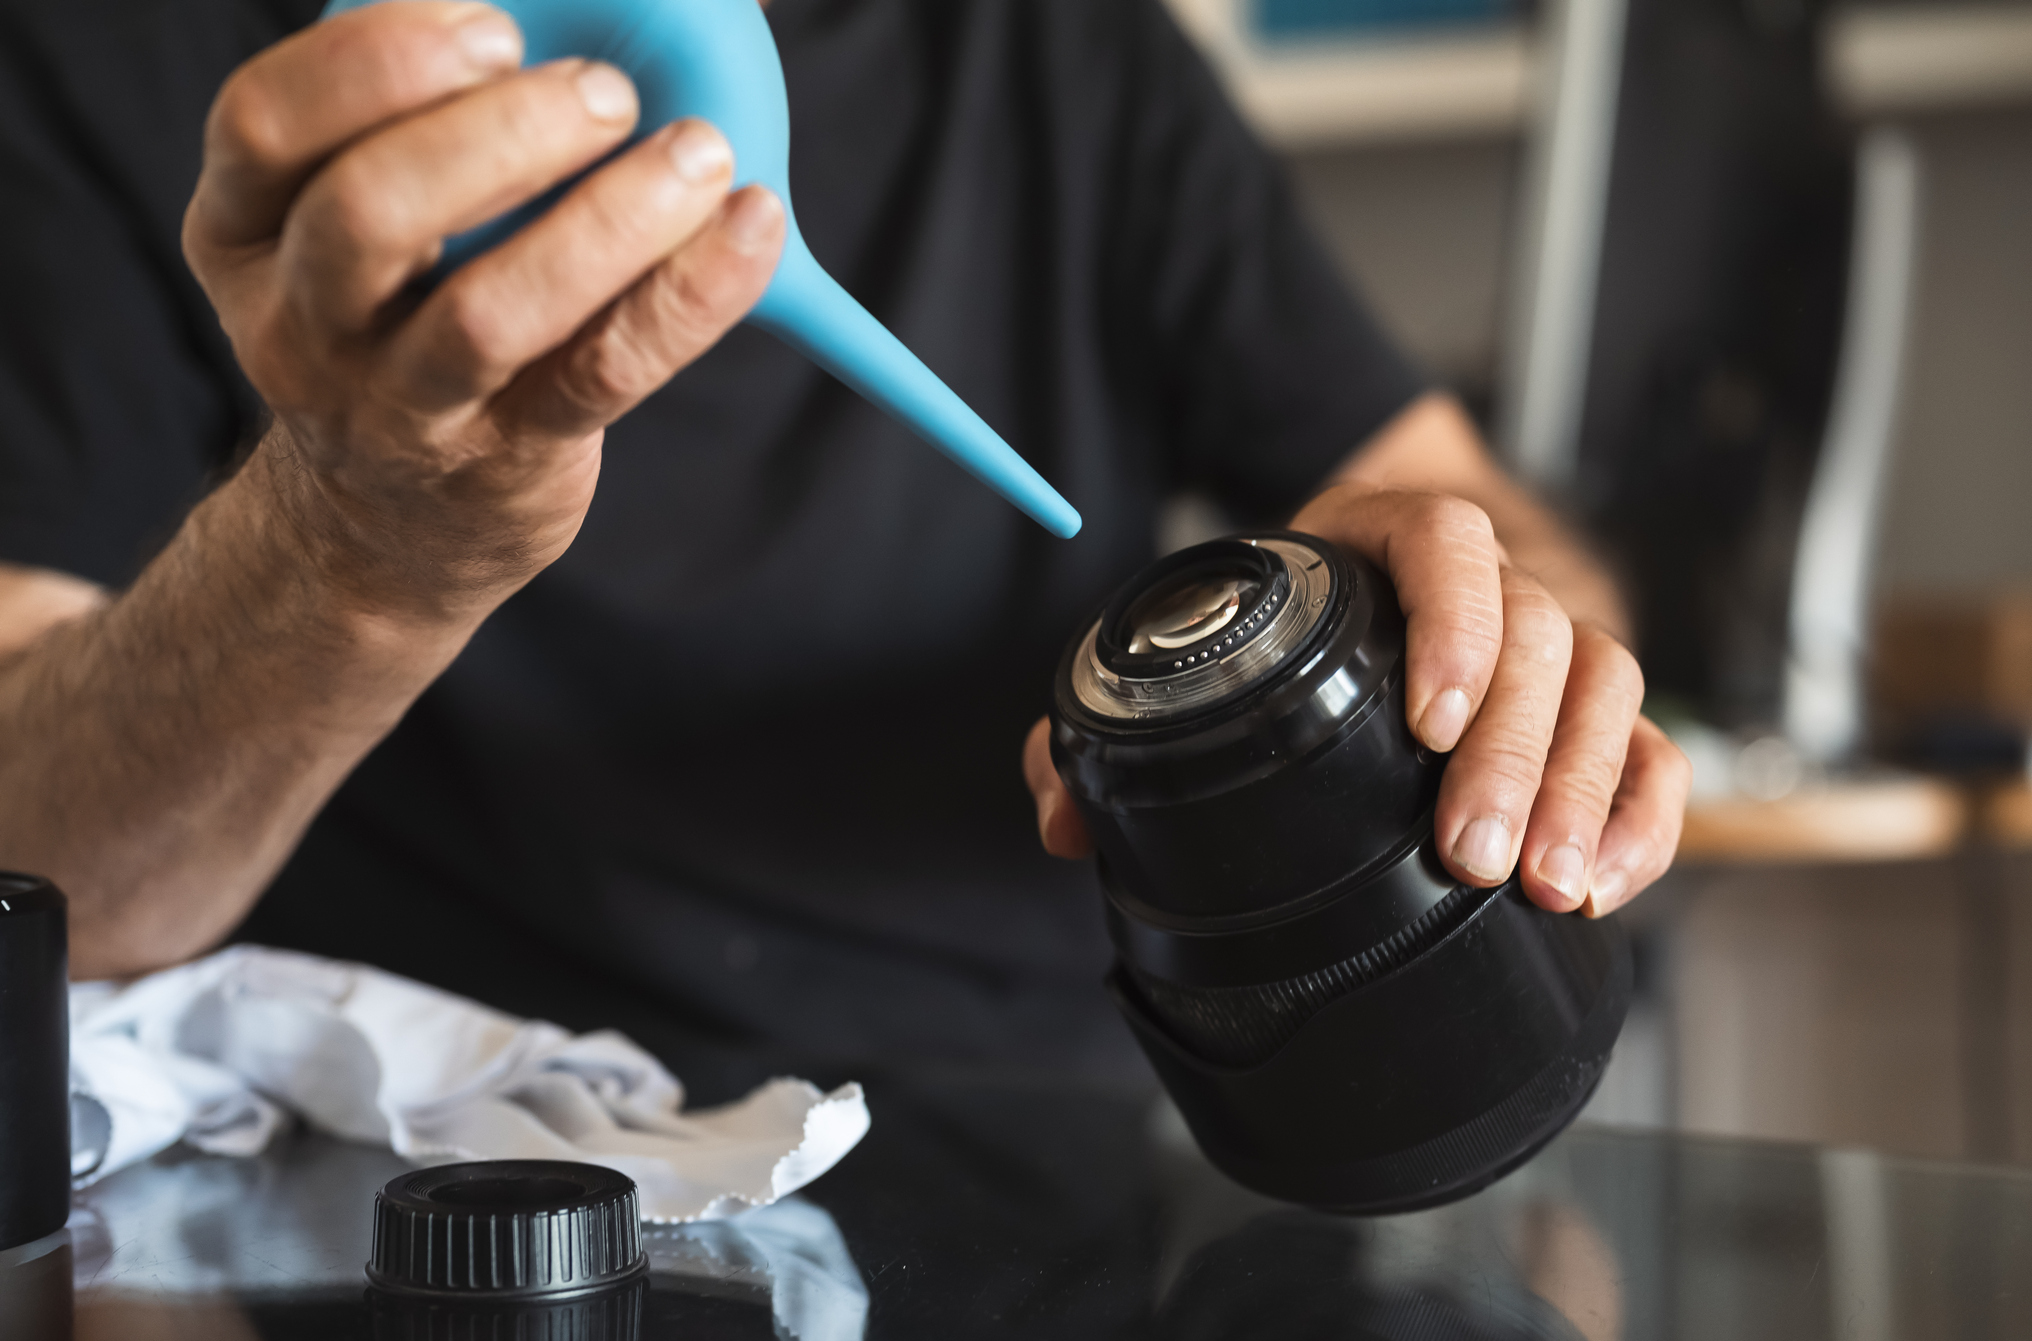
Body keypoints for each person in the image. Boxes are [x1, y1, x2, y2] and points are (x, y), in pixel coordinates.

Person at [0, 0, 1686, 1077]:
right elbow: (38, 872)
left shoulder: (1050, 51)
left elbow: (1473, 515)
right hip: (448, 1178)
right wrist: (350, 557)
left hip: (1065, 1146)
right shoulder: (114, 62)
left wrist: (1465, 625)